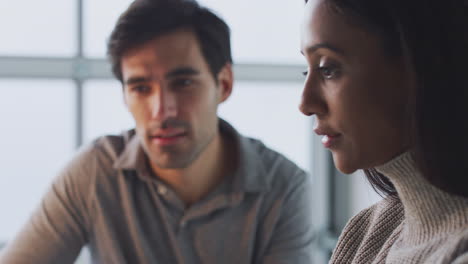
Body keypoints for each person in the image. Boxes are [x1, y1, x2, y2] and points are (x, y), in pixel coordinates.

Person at [0, 0, 315, 263]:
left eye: (183, 83)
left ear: (224, 84)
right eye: (140, 87)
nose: (162, 111)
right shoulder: (95, 172)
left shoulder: (283, 187)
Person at [299, 0, 468, 263]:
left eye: (328, 69)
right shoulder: (368, 230)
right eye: (305, 70)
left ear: (419, 66)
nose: (305, 104)